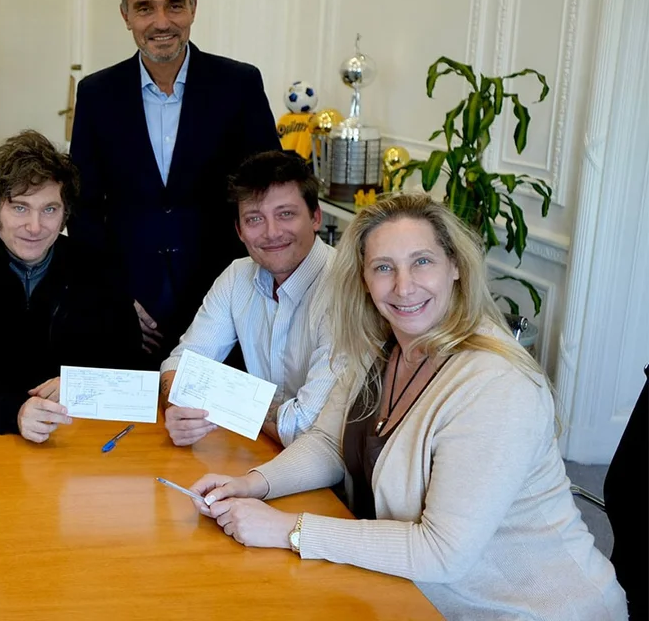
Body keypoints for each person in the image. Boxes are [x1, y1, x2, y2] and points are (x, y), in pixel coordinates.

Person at [188, 194, 626, 619]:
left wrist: (289, 529)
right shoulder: (379, 344)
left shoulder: (495, 383)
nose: (403, 286)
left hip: (527, 608)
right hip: (416, 595)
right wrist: (253, 484)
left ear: (455, 266)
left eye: (422, 261)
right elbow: (328, 442)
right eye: (383, 267)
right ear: (363, 277)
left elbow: (442, 551)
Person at [68, 0, 279, 365]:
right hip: (130, 312)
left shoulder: (239, 85)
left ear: (193, 8)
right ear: (126, 15)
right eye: (145, 8)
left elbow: (269, 191)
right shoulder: (96, 94)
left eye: (174, 5)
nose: (161, 22)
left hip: (226, 307)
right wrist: (112, 296)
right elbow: (84, 208)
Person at [0, 131, 142, 443]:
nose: (35, 227)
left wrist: (81, 385)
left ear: (65, 214)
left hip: (74, 439)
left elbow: (131, 370)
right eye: (19, 208)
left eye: (49, 209)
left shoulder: (100, 272)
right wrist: (13, 411)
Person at [161, 151, 337, 448]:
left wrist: (213, 396)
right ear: (239, 231)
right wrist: (178, 407)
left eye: (286, 214)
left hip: (332, 470)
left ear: (315, 217)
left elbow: (303, 427)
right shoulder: (237, 277)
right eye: (254, 219)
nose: (272, 233)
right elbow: (178, 364)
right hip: (261, 453)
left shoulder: (345, 290)